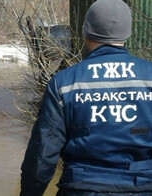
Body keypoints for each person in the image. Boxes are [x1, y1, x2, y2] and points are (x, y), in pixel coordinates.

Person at [20, 0, 152, 196]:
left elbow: (43, 153)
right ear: (128, 33)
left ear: (86, 31)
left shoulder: (64, 82)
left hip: (80, 188)